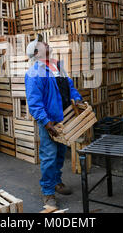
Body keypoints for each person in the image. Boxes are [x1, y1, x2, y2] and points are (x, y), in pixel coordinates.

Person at [24, 34, 83, 208]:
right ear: (36, 52)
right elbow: (34, 103)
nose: (46, 43)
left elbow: (69, 86)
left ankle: (56, 181)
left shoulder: (57, 66)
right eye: (42, 43)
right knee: (49, 156)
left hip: (63, 118)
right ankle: (48, 192)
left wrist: (77, 99)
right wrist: (46, 123)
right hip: (49, 122)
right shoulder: (34, 74)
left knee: (59, 154)